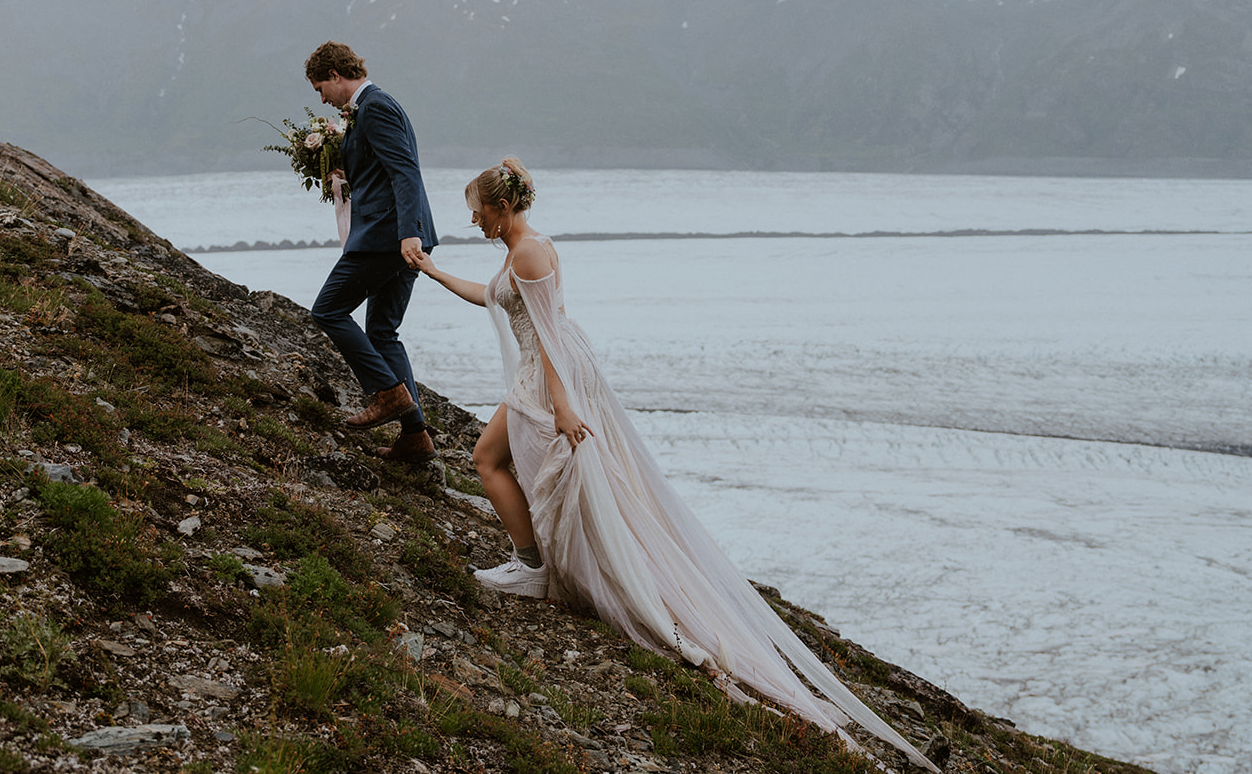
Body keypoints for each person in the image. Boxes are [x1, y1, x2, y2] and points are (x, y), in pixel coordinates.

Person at [413, 158, 939, 770]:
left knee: (519, 466)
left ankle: (535, 566)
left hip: (549, 376)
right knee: (497, 460)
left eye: (476, 208)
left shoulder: (528, 252)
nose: (471, 218)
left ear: (501, 208)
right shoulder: (519, 248)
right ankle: (532, 562)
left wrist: (562, 406)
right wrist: (429, 270)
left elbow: (550, 337)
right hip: (545, 370)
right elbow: (494, 301)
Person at [305, 41, 440, 464]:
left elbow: (405, 171)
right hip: (399, 235)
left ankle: (387, 393)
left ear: (335, 76)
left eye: (319, 88)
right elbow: (382, 170)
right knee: (382, 332)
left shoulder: (376, 107)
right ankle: (416, 438)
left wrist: (408, 235)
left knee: (327, 310)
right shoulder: (367, 111)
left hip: (389, 238)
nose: (321, 99)